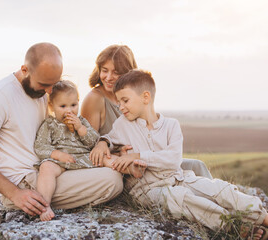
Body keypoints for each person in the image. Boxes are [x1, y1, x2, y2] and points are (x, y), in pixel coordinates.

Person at [93, 69, 268, 238]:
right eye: (118, 102)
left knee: (221, 189)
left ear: (145, 97)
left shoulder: (171, 125)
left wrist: (138, 155)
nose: (120, 106)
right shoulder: (122, 124)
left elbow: (173, 159)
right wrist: (103, 142)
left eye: (125, 100)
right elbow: (110, 139)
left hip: (180, 179)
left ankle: (261, 216)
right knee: (183, 199)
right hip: (148, 190)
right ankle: (233, 226)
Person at [0, 43, 123, 217]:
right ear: (25, 70)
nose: (50, 91)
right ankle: (39, 204)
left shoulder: (42, 93)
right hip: (25, 183)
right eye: (44, 84)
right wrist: (14, 194)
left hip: (49, 171)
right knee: (112, 180)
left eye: (54, 83)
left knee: (112, 169)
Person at [81, 44, 213, 179]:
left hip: (145, 157)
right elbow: (89, 145)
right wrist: (115, 151)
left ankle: (213, 195)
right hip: (124, 165)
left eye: (116, 72)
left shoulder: (134, 98)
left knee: (197, 166)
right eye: (104, 70)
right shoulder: (94, 99)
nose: (108, 77)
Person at [34, 80, 146, 221]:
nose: (69, 110)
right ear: (51, 106)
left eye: (73, 105)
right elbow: (40, 146)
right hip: (60, 161)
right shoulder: (49, 125)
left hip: (83, 157)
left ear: (78, 103)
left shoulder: (81, 121)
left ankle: (130, 168)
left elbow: (94, 141)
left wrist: (81, 129)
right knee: (46, 167)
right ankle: (44, 205)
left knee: (105, 157)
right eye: (62, 106)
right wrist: (58, 155)